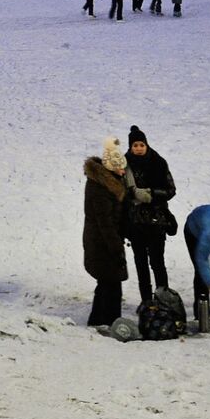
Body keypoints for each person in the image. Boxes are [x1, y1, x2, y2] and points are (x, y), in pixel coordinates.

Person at [123, 126, 177, 309]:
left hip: (156, 220)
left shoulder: (158, 162)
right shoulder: (123, 165)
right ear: (130, 147)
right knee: (141, 264)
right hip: (135, 222)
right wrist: (132, 196)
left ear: (146, 145)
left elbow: (171, 190)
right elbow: (120, 192)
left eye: (141, 144)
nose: (138, 148)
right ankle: (146, 301)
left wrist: (151, 194)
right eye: (135, 145)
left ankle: (163, 300)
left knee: (157, 262)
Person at [83, 137, 130, 328]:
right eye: (119, 167)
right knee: (109, 283)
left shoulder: (107, 183)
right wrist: (116, 247)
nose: (122, 171)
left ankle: (101, 320)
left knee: (108, 283)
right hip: (102, 242)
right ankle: (108, 320)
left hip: (104, 241)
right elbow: (105, 222)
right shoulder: (100, 188)